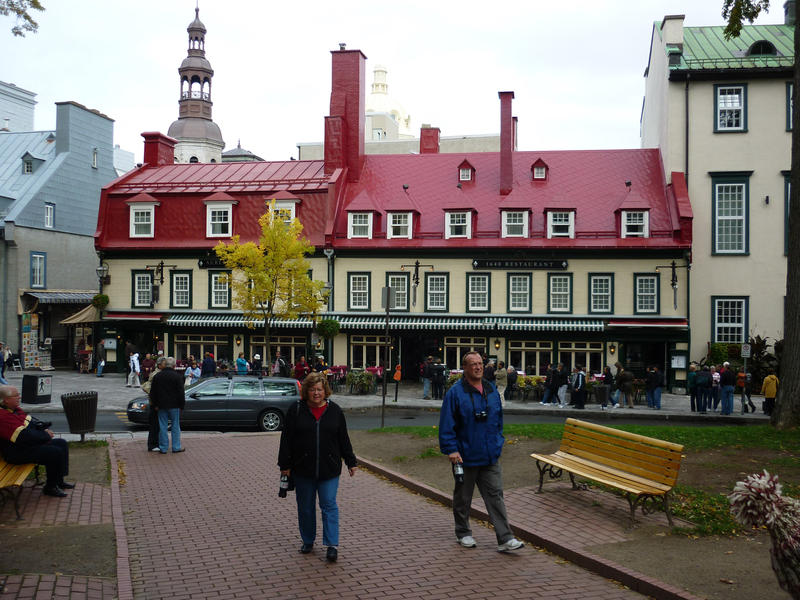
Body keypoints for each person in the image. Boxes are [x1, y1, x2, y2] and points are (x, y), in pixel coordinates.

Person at [438, 351, 524, 553]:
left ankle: (505, 538)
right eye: (473, 364)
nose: (478, 367)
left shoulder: (491, 389)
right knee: (463, 497)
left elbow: (498, 419)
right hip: (465, 456)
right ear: (465, 368)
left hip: (489, 455)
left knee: (495, 496)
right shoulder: (455, 393)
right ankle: (463, 533)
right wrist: (451, 450)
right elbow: (447, 424)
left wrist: (498, 442)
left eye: (480, 364)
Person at [278, 372, 357, 563]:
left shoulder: (335, 411)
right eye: (312, 389)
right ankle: (307, 540)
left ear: (325, 391)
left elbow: (343, 438)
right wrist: (284, 465)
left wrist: (350, 461)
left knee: (329, 504)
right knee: (305, 507)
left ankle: (332, 545)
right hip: (302, 468)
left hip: (329, 468)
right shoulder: (296, 410)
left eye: (319, 389)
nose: (316, 393)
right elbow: (286, 439)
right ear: (306, 390)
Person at [0, 385, 73, 497]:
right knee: (54, 453)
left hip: (23, 446)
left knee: (61, 443)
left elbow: (30, 424)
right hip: (14, 453)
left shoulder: (14, 410)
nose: (19, 397)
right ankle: (50, 487)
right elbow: (24, 436)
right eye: (16, 395)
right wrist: (45, 435)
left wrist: (44, 429)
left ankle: (59, 481)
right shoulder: (3, 416)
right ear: (6, 400)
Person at [149, 357, 186, 454]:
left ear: (165, 365)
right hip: (174, 405)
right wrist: (182, 405)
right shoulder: (177, 377)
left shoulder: (158, 376)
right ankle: (176, 447)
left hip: (161, 405)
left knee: (162, 426)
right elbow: (181, 393)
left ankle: (163, 447)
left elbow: (153, 392)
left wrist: (155, 404)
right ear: (174, 366)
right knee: (175, 426)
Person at [141, 356, 166, 452]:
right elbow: (154, 391)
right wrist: (156, 403)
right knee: (155, 424)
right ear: (159, 365)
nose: (166, 365)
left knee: (157, 424)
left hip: (156, 402)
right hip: (155, 403)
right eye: (164, 363)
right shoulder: (156, 375)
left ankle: (155, 443)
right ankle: (152, 444)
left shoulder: (158, 373)